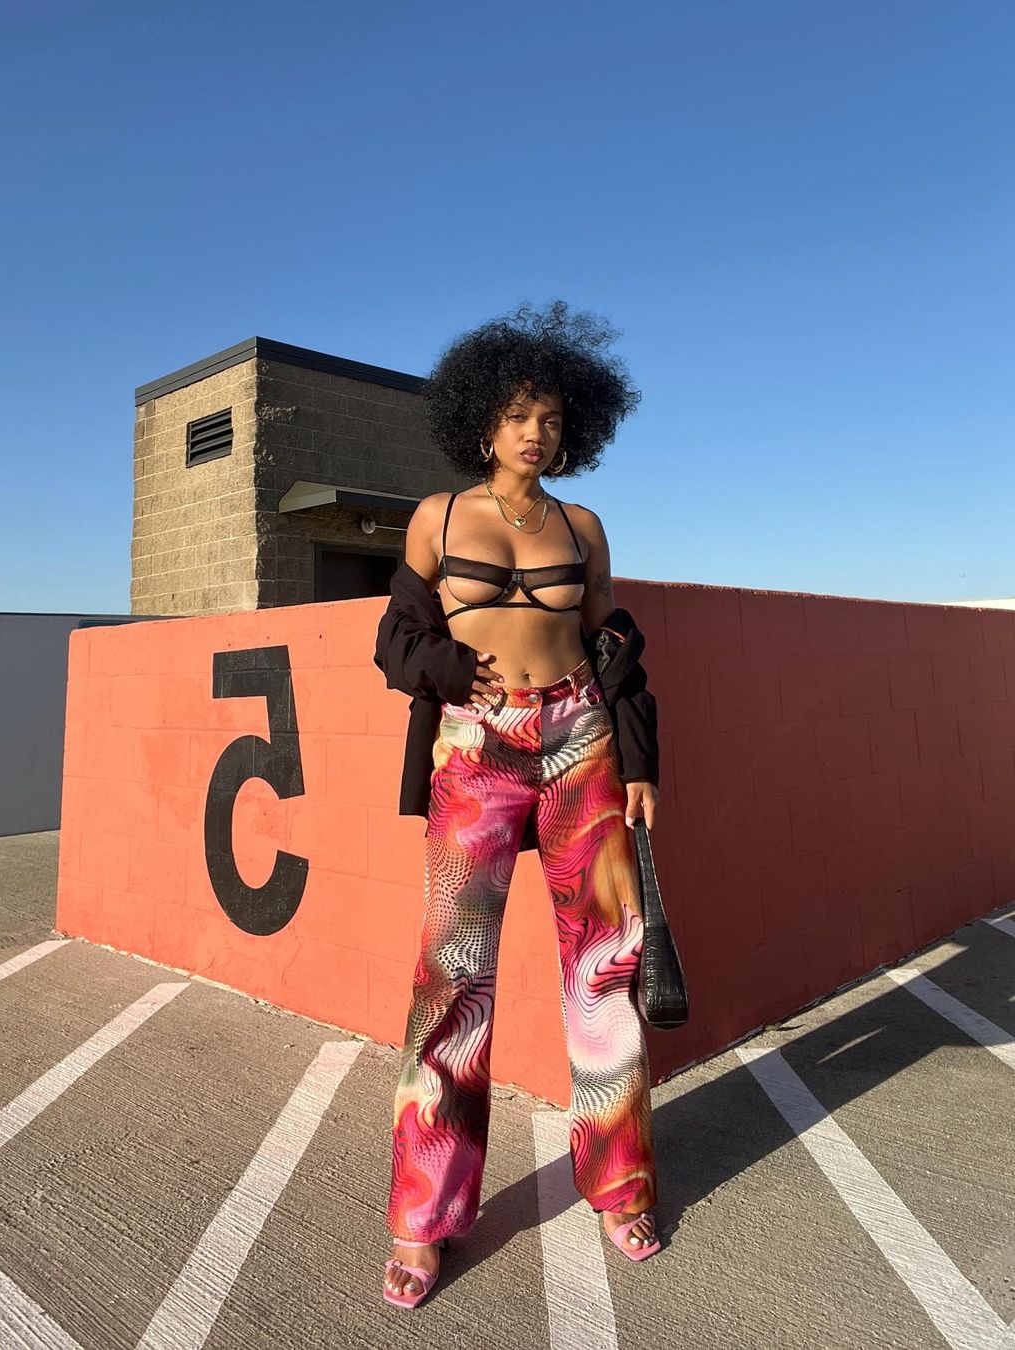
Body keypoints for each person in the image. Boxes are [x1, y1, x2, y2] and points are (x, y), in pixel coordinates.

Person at [375, 300, 662, 1309]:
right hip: (477, 747)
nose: (535, 432)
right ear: (482, 424)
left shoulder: (583, 528)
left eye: (551, 418)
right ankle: (423, 1218)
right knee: (452, 978)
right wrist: (454, 669)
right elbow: (395, 642)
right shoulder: (439, 517)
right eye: (517, 415)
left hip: (580, 737)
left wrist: (640, 762)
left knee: (605, 966)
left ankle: (621, 1185)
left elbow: (615, 650)